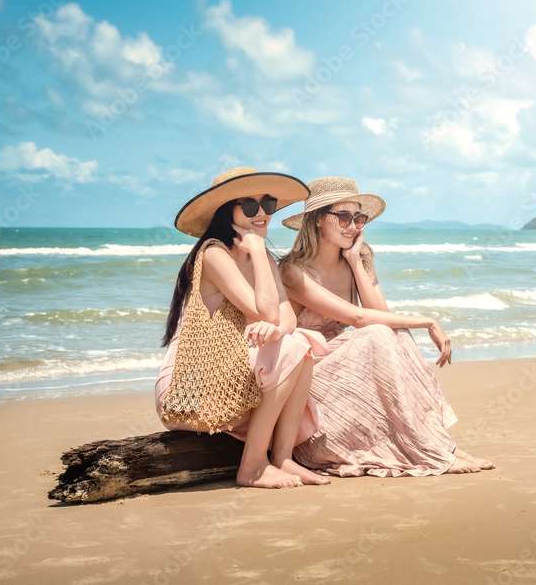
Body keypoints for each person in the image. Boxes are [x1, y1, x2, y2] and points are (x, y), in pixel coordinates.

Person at [278, 177, 494, 476]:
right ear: (316, 220)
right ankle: (433, 449)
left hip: (334, 367)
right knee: (379, 332)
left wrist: (356, 263)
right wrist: (428, 321)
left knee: (392, 332)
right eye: (342, 217)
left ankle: (439, 446)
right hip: (303, 374)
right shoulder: (293, 270)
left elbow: (379, 313)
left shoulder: (358, 258)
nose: (352, 226)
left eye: (359, 217)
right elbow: (360, 319)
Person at [156, 167, 330, 489]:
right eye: (249, 206)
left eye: (268, 203)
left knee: (304, 339)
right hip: (192, 384)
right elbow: (264, 309)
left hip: (231, 376)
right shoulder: (213, 254)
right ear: (228, 211)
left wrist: (278, 330)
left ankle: (282, 458)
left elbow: (285, 316)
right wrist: (257, 251)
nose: (262, 213)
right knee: (294, 345)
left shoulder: (260, 256)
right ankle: (252, 467)